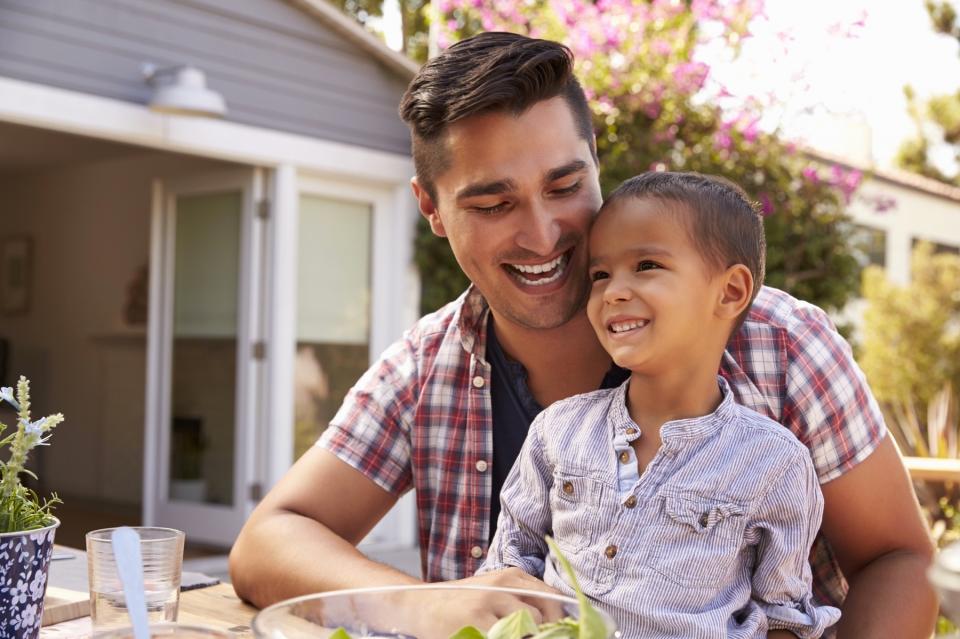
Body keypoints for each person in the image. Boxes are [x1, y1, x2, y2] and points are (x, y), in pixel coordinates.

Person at [229, 32, 937, 637]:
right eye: (493, 201)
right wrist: (428, 604)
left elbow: (899, 560)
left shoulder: (779, 342)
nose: (542, 235)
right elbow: (268, 540)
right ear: (432, 208)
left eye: (564, 186)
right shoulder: (426, 365)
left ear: (597, 159)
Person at [479, 171, 841, 638]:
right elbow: (506, 569)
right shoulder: (557, 431)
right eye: (600, 274)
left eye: (646, 265)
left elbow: (785, 619)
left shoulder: (775, 463)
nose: (614, 291)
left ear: (730, 291)